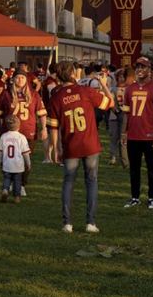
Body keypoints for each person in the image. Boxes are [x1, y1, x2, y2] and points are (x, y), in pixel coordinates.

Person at [47, 62, 111, 234]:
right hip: (89, 143)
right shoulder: (85, 91)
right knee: (91, 181)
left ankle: (67, 223)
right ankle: (90, 222)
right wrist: (104, 85)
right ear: (73, 74)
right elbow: (109, 103)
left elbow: (53, 127)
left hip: (70, 144)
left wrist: (56, 147)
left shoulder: (56, 97)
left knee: (69, 182)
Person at [119, 60, 153, 209]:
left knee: (152, 169)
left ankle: (152, 197)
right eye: (138, 67)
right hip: (133, 135)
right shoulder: (130, 89)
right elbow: (126, 113)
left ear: (149, 70)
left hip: (149, 135)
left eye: (143, 67)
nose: (140, 69)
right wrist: (123, 132)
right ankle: (135, 197)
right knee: (134, 169)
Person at [0, 117, 28, 202]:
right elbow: (25, 153)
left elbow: (0, 151)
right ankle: (16, 197)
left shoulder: (4, 136)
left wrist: (0, 161)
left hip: (7, 163)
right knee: (17, 180)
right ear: (19, 126)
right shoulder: (22, 137)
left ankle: (5, 189)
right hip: (18, 165)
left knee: (6, 178)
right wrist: (28, 163)